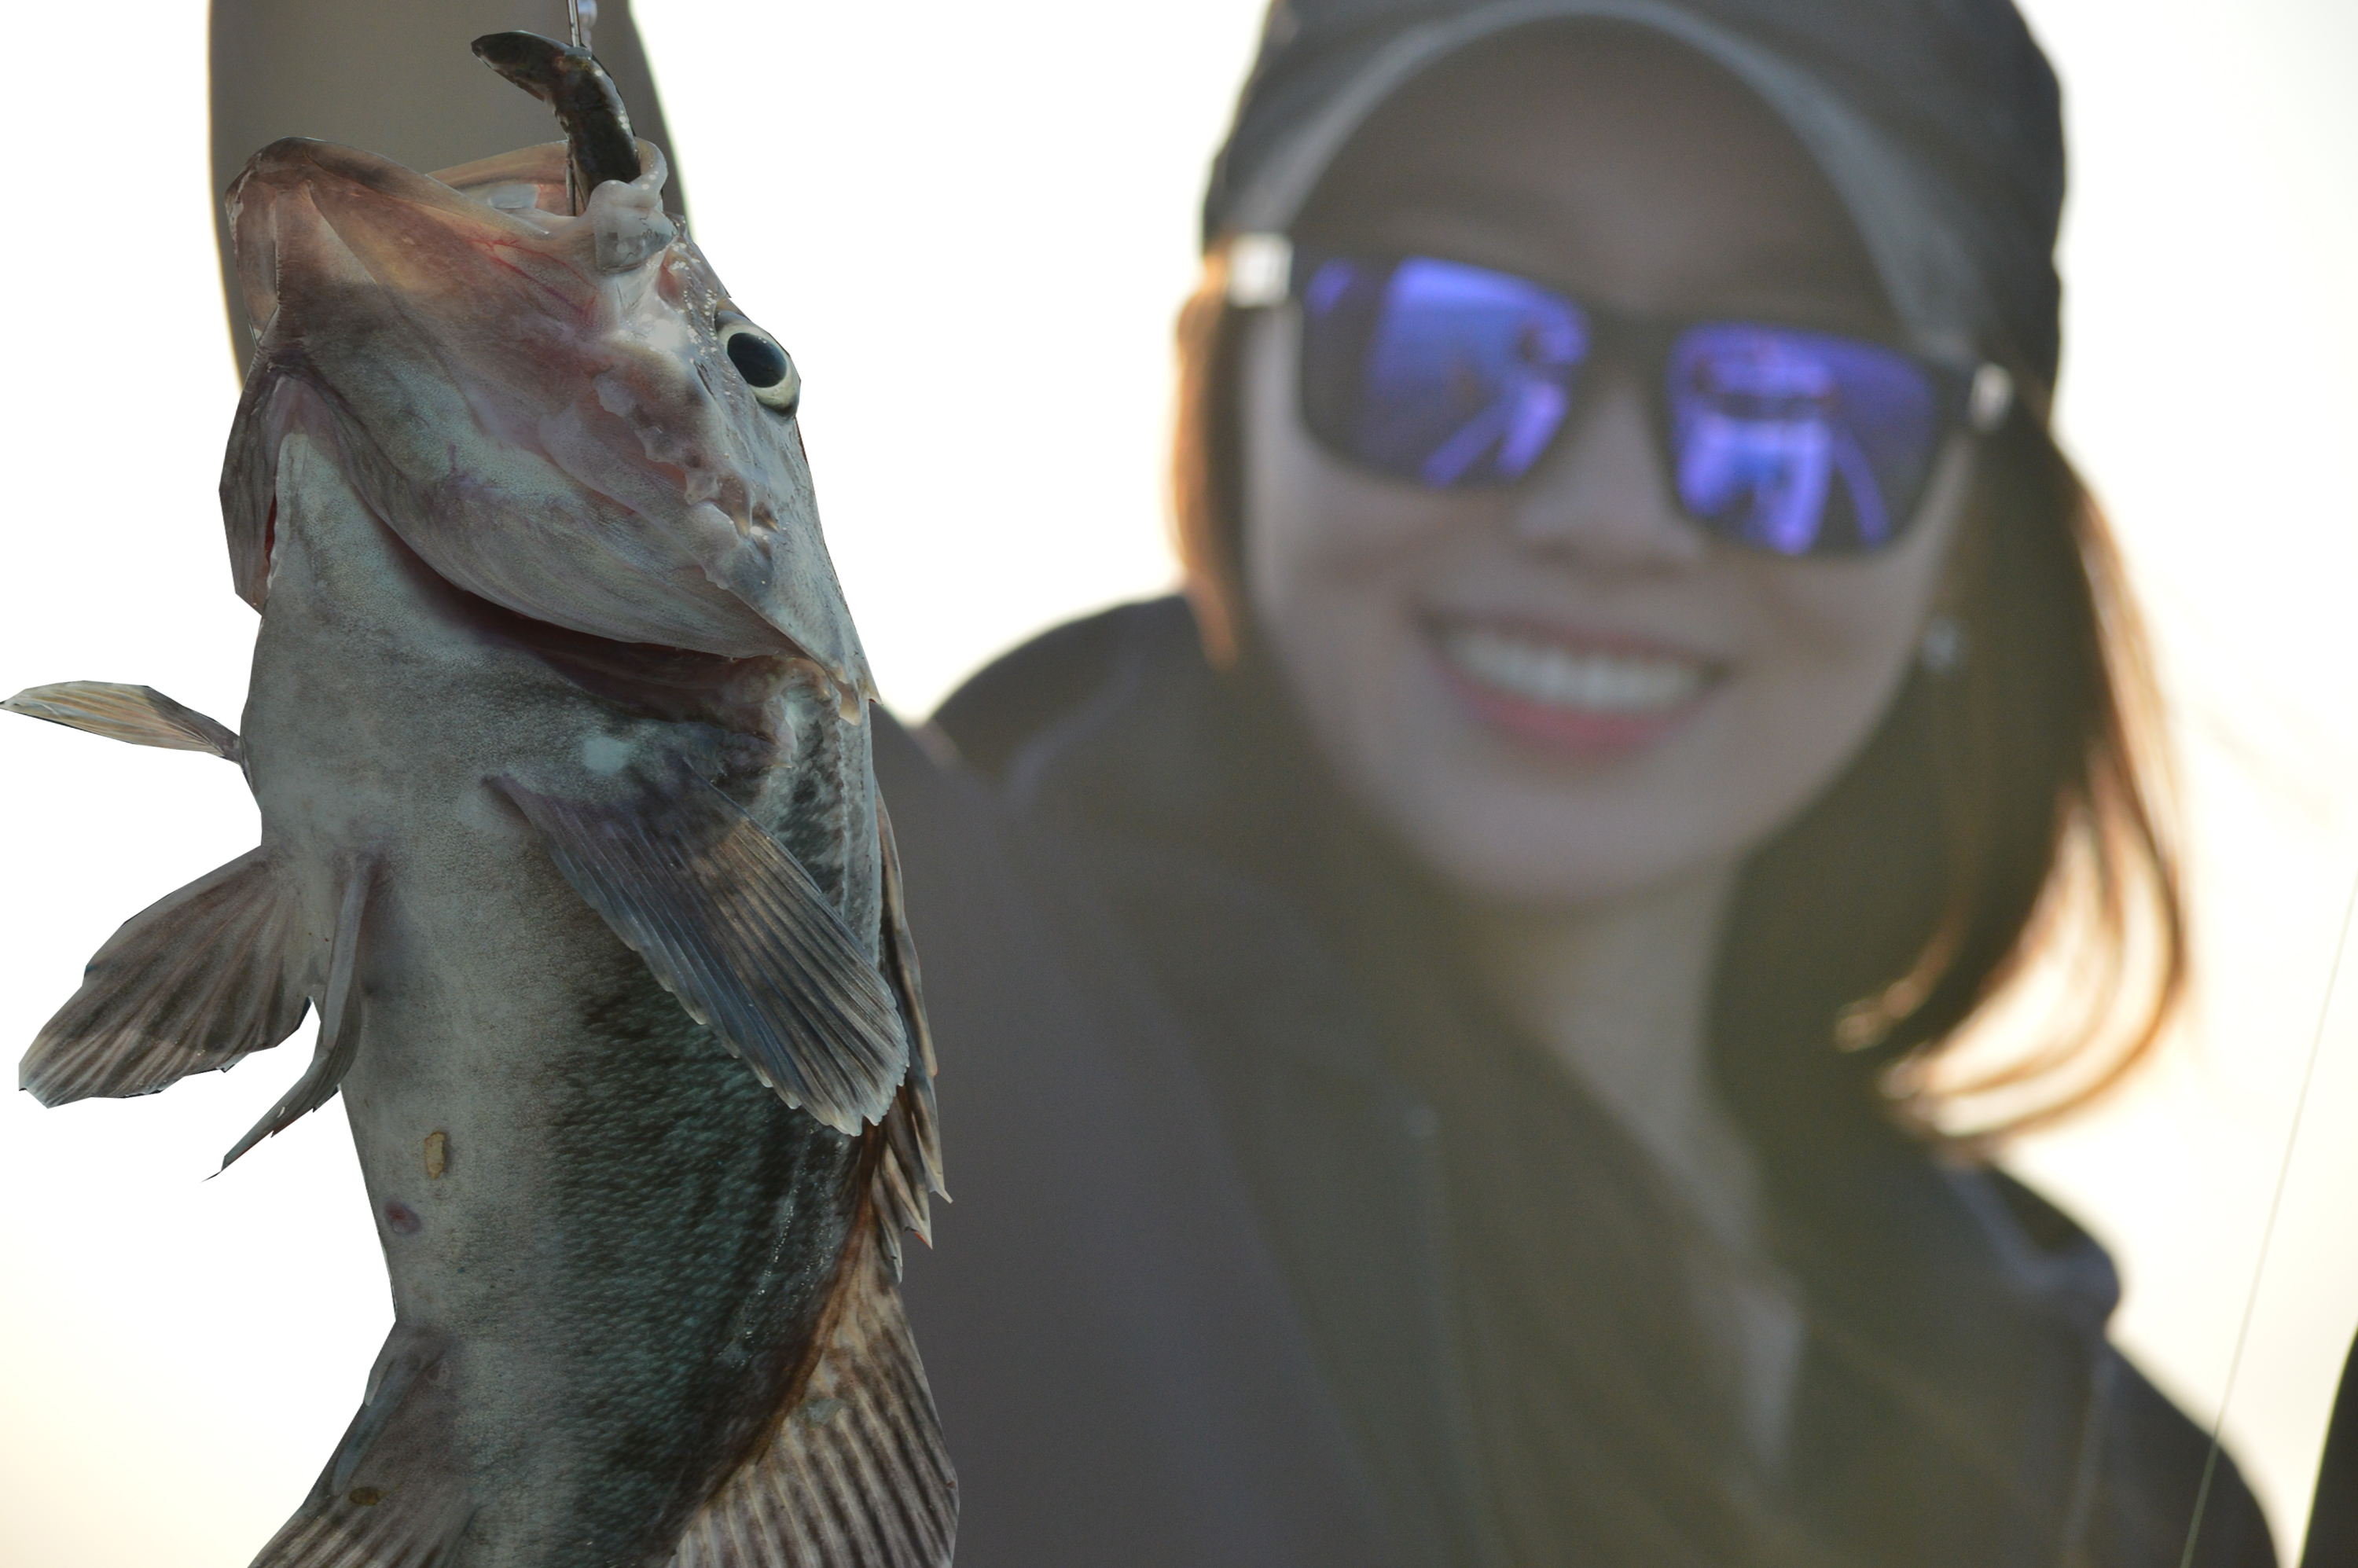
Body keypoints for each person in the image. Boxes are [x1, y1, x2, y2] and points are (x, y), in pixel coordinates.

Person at [204, 2, 2282, 1563]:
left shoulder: (2136, 1474)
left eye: (1793, 407)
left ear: (1963, 543)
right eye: (1450, 351)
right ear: (1232, 404)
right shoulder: (936, 1003)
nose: (1606, 504)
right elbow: (474, 296)